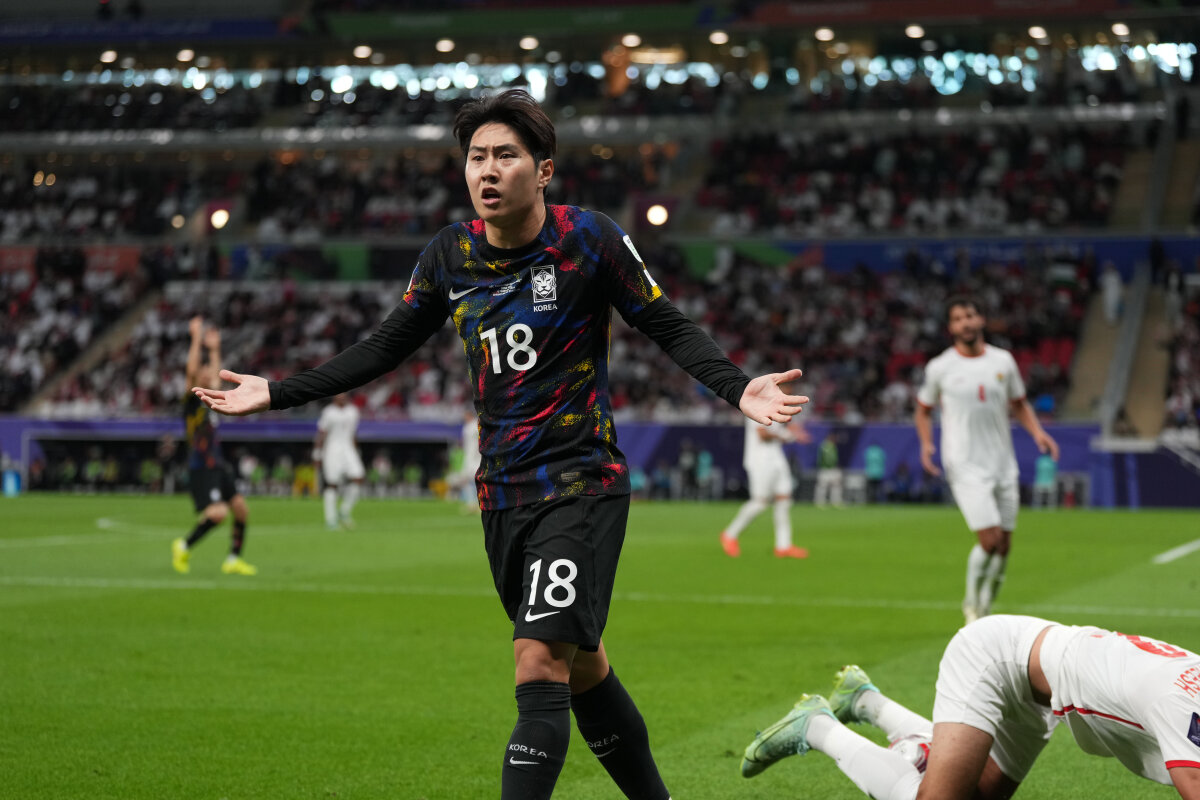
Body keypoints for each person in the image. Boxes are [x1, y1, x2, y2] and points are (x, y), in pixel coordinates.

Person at [192, 89, 808, 800]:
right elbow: (385, 346)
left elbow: (664, 323)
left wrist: (736, 386)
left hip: (579, 482)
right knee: (583, 668)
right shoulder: (449, 255)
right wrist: (279, 391)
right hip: (502, 494)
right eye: (476, 157)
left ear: (543, 170)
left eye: (505, 156)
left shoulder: (589, 238)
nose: (487, 170)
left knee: (538, 662)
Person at [739, 614, 1200, 800]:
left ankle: (866, 701)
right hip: (994, 659)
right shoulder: (1182, 704)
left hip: (1041, 692)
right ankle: (817, 726)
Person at [914, 295, 1058, 624]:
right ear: (951, 327)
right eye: (958, 318)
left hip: (1003, 462)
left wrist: (1038, 433)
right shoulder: (940, 367)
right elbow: (923, 410)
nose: (965, 323)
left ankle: (986, 607)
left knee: (1004, 546)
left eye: (970, 316)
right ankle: (971, 607)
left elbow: (1019, 403)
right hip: (964, 462)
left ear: (981, 320)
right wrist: (926, 444)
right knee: (989, 540)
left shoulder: (1003, 362)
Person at [172, 316, 256, 576]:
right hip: (201, 465)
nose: (209, 371)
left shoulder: (212, 399)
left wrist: (215, 348)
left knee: (240, 509)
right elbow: (191, 371)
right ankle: (183, 545)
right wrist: (197, 338)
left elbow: (217, 378)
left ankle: (232, 560)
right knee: (218, 514)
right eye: (205, 369)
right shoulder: (192, 400)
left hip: (216, 463)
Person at [720, 404, 810, 559]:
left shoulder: (777, 407)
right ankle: (729, 534)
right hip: (760, 461)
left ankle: (783, 546)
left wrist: (792, 433)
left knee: (784, 500)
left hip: (777, 458)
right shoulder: (757, 407)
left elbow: (778, 432)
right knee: (760, 503)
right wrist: (790, 435)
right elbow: (763, 435)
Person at [314, 393, 365, 529]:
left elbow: (353, 433)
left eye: (344, 395)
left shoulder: (353, 411)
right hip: (332, 450)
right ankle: (331, 519)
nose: (342, 397)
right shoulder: (329, 412)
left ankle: (344, 511)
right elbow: (322, 434)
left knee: (358, 477)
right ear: (334, 397)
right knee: (332, 483)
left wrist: (356, 450)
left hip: (348, 448)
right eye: (339, 395)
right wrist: (317, 454)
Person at [813, 432, 844, 508]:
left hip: (833, 469)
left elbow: (835, 458)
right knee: (822, 486)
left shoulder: (833, 447)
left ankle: (836, 502)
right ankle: (820, 502)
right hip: (825, 469)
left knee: (836, 486)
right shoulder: (824, 446)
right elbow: (826, 459)